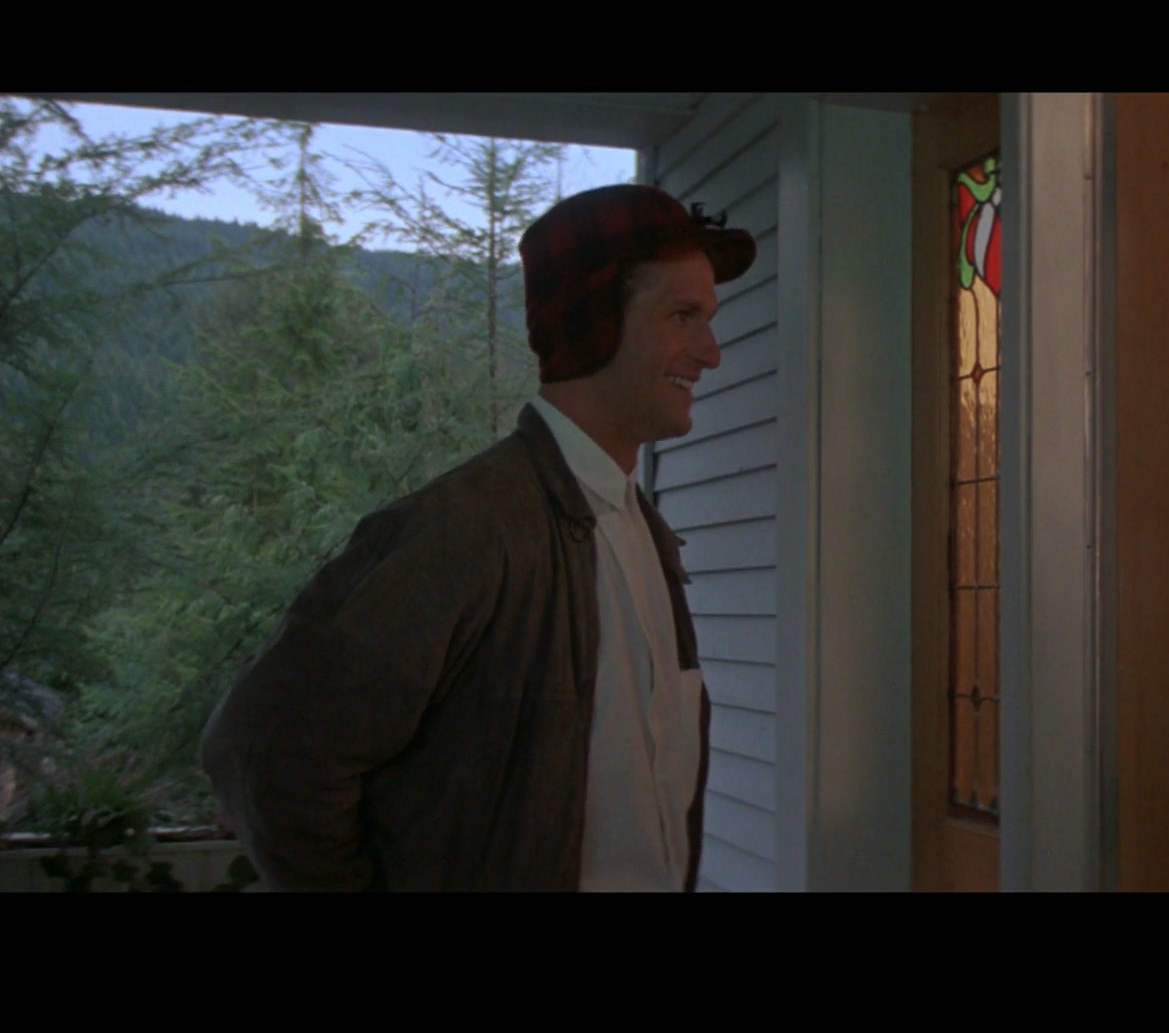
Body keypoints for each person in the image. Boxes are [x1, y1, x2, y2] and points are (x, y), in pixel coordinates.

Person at [201, 184, 754, 891]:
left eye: (708, 320)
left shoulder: (644, 534)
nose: (710, 353)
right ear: (592, 323)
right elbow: (262, 752)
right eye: (683, 316)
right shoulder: (467, 530)